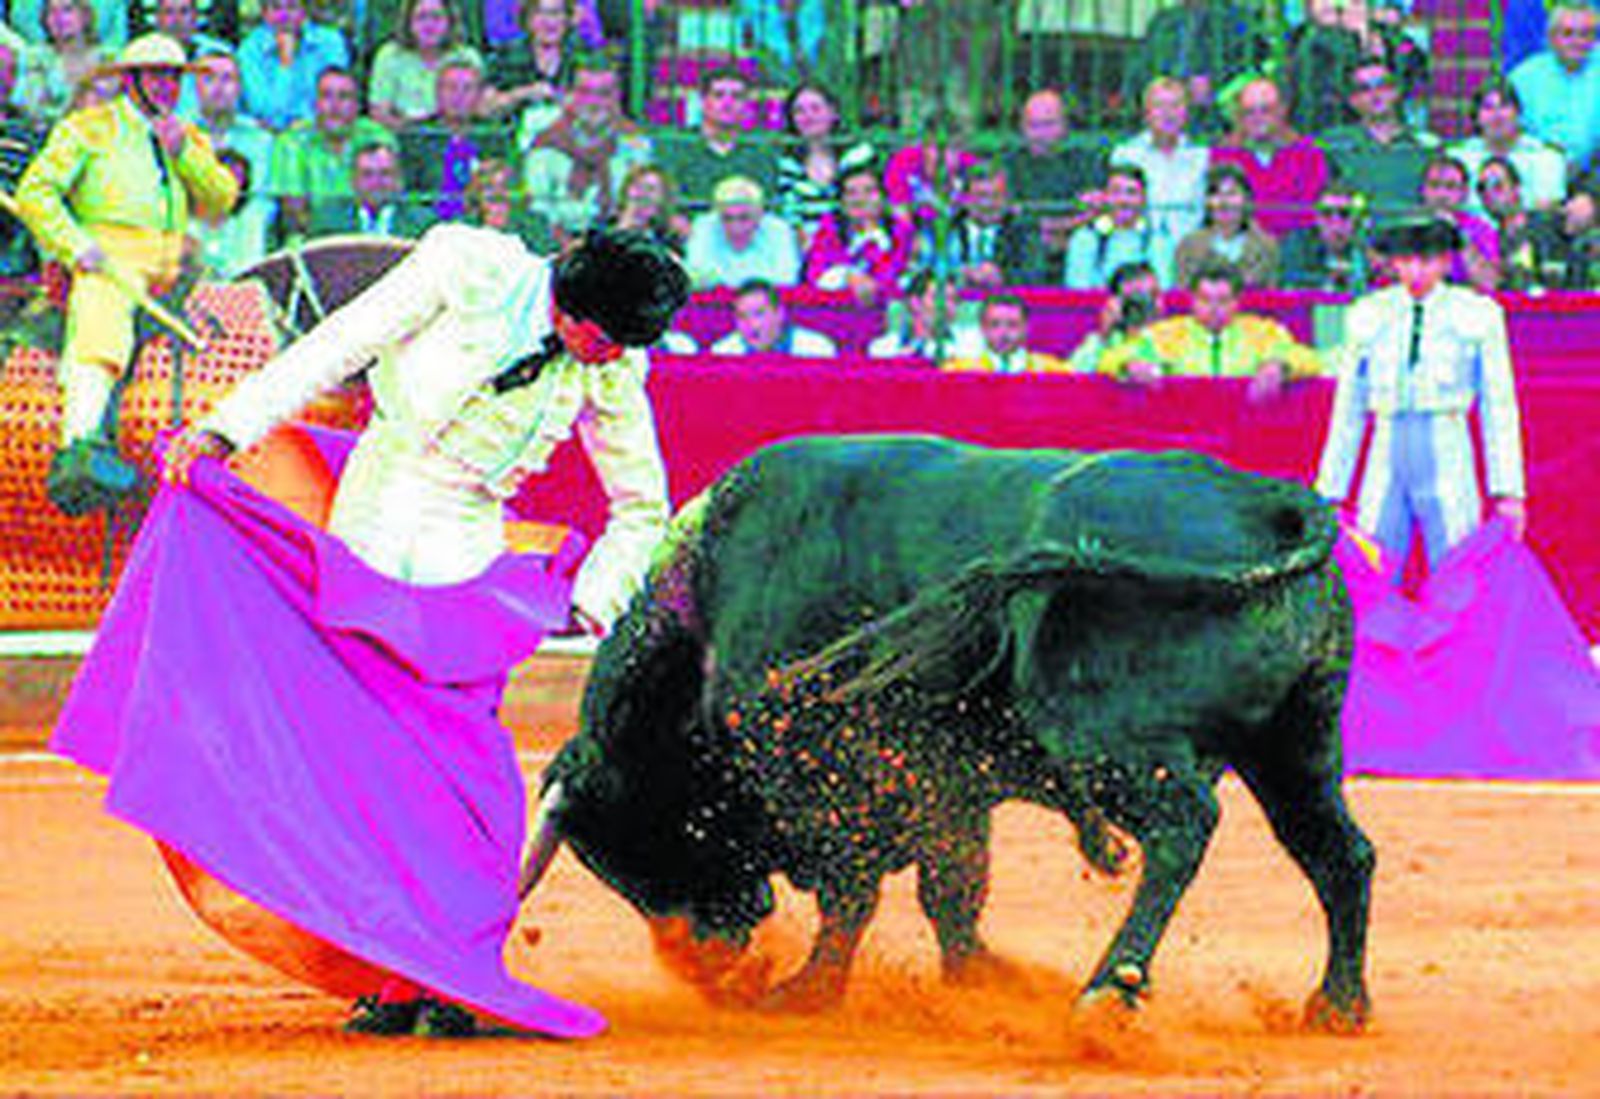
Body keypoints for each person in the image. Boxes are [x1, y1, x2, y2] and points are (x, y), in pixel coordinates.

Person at [53, 224, 688, 1040]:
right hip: (368, 536)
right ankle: (393, 978)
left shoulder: (614, 366)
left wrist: (594, 597)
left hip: (465, 568)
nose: (615, 358)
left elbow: (642, 506)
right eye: (607, 340)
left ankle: (449, 971)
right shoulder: (467, 268)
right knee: (364, 776)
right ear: (573, 312)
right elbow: (338, 343)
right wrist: (226, 429)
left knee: (473, 788)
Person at [12, 33, 237, 475]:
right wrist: (75, 245)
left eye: (174, 77)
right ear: (131, 81)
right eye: (157, 76)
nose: (167, 87)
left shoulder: (186, 134)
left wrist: (183, 153)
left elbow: (221, 201)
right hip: (109, 263)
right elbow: (35, 192)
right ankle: (79, 445)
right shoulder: (88, 126)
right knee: (102, 319)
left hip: (178, 267)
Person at [1316, 215, 1526, 572]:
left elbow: (1499, 407)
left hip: (1449, 444)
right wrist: (1330, 491)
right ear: (1393, 262)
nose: (1416, 272)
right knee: (1375, 566)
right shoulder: (1367, 314)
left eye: (1426, 260)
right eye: (1405, 260)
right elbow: (1348, 407)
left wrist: (1509, 490)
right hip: (1385, 445)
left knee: (1456, 569)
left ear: (1445, 262)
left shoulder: (1478, 314)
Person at [1100, 258, 1321, 399]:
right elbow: (1109, 358)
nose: (1214, 308)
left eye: (1223, 300)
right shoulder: (1166, 333)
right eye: (1206, 300)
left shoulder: (1263, 332)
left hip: (1249, 428)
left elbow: (1311, 359)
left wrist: (1281, 366)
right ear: (1193, 300)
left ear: (1237, 302)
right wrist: (1129, 365)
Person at [520, 51, 651, 244]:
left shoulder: (635, 144)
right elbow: (537, 211)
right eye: (585, 92)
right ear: (568, 94)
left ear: (617, 97)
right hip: (553, 245)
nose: (594, 103)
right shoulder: (545, 142)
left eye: (604, 94)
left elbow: (638, 208)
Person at [266, 65, 393, 241]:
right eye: (326, 96)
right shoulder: (291, 142)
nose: (335, 106)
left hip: (370, 232)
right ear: (315, 104)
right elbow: (294, 213)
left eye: (344, 97)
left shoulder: (377, 136)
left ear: (357, 105)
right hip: (310, 239)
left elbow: (385, 199)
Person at [1318, 57, 1438, 220]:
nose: (1375, 95)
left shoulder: (1426, 146)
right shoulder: (1333, 144)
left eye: (1382, 86)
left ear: (1396, 91)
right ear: (1352, 100)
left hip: (1414, 230)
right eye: (1365, 89)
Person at [1004, 88, 1108, 273]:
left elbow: (1097, 207)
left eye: (1049, 124)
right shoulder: (1009, 165)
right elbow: (1009, 211)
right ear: (1022, 128)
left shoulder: (1086, 162)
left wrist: (1061, 229)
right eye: (1033, 125)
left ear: (1065, 126)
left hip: (1078, 241)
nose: (1041, 133)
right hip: (1023, 247)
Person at [1211, 75, 1328, 237]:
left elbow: (1312, 213)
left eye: (1265, 110)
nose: (1257, 118)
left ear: (1282, 111)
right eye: (1249, 112)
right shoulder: (1224, 156)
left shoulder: (1308, 154)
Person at [1111, 77, 1209, 267]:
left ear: (1186, 113)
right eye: (1159, 106)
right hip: (1137, 252)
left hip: (1191, 255)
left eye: (1175, 105)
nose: (1168, 114)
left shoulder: (1200, 157)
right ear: (1146, 114)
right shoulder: (1126, 154)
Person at [398, 55, 508, 221]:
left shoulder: (494, 135)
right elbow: (408, 193)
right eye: (451, 88)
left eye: (467, 89)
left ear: (479, 95)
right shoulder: (415, 135)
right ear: (437, 92)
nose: (458, 96)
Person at [657, 65, 779, 211]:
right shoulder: (677, 145)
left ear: (746, 105)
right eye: (719, 95)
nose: (728, 103)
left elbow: (767, 204)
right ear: (703, 102)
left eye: (736, 96)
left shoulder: (760, 150)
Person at [772, 80, 874, 249]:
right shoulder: (787, 164)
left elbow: (868, 207)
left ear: (833, 113)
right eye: (799, 111)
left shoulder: (858, 155)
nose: (808, 116)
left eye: (816, 109)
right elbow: (790, 215)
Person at [1448, 78, 1570, 215]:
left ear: (1518, 113)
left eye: (1504, 107)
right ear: (1476, 118)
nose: (1497, 115)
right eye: (1488, 108)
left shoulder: (1547, 158)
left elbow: (1546, 211)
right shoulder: (1457, 158)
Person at [801, 160, 914, 306]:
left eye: (869, 191)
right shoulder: (829, 231)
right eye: (851, 193)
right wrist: (847, 276)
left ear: (883, 198)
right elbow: (815, 276)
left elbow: (903, 278)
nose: (861, 199)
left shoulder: (901, 233)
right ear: (841, 202)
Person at [917, 158, 1043, 287]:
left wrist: (1002, 278)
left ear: (1007, 199)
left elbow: (1035, 277)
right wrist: (957, 276)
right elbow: (921, 274)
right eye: (980, 196)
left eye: (994, 196)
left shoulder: (1023, 233)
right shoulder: (944, 229)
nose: (987, 206)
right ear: (965, 198)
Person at [1508, 0, 1600, 175]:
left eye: (1585, 34)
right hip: (1533, 171)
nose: (1577, 42)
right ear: (1551, 38)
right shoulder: (1523, 78)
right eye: (1568, 34)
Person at [366, 0, 483, 133]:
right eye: (421, 17)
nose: (429, 25)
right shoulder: (389, 56)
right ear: (408, 22)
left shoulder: (467, 56)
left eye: (436, 18)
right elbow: (379, 113)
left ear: (450, 22)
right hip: (402, 136)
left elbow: (479, 107)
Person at [237, 0, 350, 133]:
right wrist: (285, 64)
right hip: (269, 136)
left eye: (292, 7)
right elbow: (264, 112)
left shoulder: (330, 43)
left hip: (322, 131)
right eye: (276, 8)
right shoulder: (250, 50)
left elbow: (337, 101)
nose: (284, 16)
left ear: (304, 11)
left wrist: (307, 122)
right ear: (265, 13)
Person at [682, 173, 800, 289]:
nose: (736, 228)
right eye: (727, 218)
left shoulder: (779, 230)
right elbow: (698, 279)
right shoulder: (703, 228)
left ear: (760, 215)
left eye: (744, 218)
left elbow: (786, 281)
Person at [1062, 162, 1170, 288]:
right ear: (1105, 197)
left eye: (1131, 193)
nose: (1123, 200)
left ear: (1143, 199)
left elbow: (1163, 290)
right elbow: (1078, 291)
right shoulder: (1085, 239)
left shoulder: (1157, 240)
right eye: (1116, 192)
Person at [1174, 162, 1280, 288]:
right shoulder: (1188, 246)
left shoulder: (1265, 246)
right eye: (1216, 194)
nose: (1223, 202)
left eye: (1231, 194)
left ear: (1246, 199)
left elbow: (1271, 293)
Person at [307, 138, 433, 237]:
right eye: (367, 174)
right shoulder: (328, 220)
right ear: (353, 181)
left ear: (399, 180)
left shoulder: (423, 224)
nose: (376, 182)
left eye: (385, 173)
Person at [1063, 259, 1164, 373]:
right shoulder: (1103, 341)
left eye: (1153, 295)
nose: (1142, 305)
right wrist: (1103, 337)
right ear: (1115, 303)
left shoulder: (1172, 335)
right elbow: (1071, 373)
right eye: (1133, 299)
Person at [866, 266, 982, 359]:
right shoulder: (883, 351)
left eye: (952, 300)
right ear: (915, 303)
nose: (946, 306)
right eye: (937, 298)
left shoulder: (969, 350)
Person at [940, 292, 1068, 374]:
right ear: (983, 328)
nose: (1003, 333)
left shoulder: (1053, 371)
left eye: (1012, 325)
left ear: (1025, 328)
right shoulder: (958, 371)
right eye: (995, 324)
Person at [1280, 181, 1373, 292]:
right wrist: (1328, 279)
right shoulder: (1298, 248)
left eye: (1344, 214)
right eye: (1327, 214)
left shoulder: (1363, 252)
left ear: (1354, 220)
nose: (1336, 222)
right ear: (1317, 219)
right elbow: (1291, 284)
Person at [709, 277, 837, 357]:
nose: (750, 324)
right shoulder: (722, 353)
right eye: (742, 316)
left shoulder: (818, 350)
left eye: (758, 314)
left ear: (780, 314)